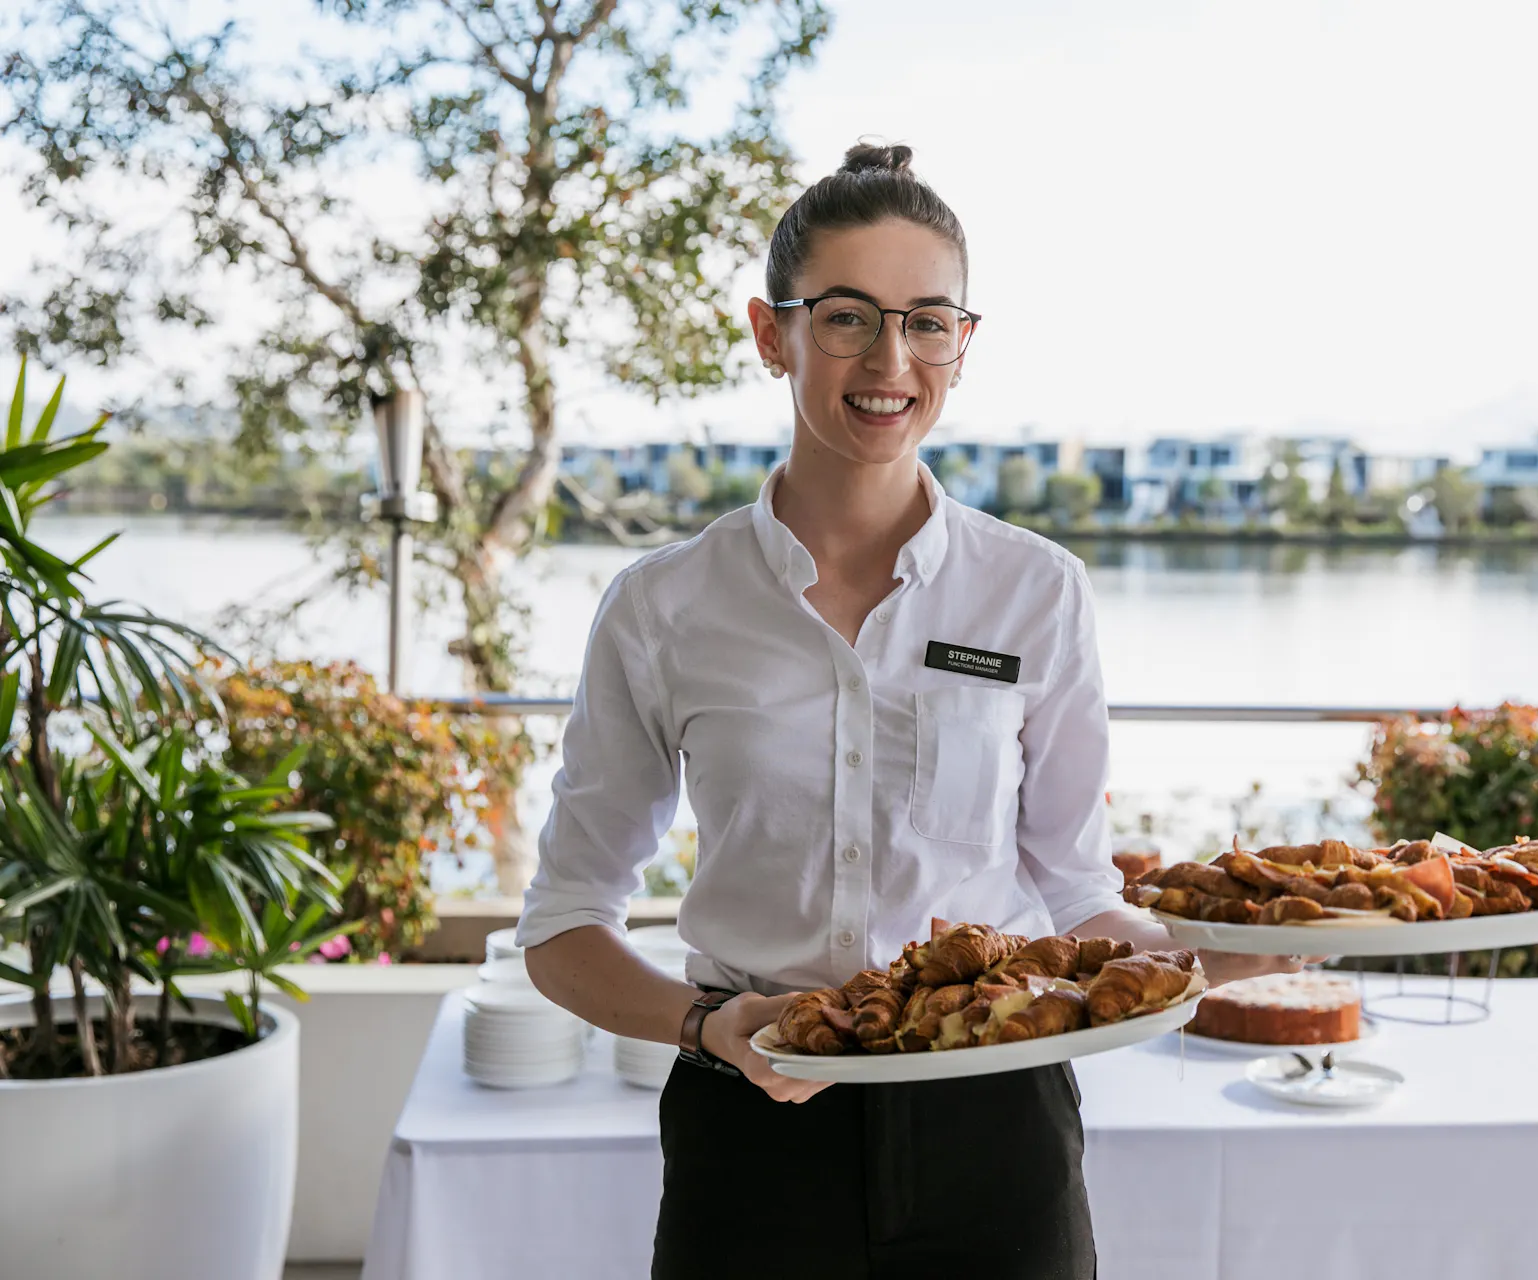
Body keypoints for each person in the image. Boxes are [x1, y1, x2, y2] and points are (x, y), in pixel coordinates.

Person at [520, 140, 1302, 1280]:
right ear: (770, 330)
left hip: (998, 1119)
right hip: (753, 1121)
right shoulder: (662, 606)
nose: (892, 358)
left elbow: (1077, 891)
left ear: (963, 343)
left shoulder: (1035, 591)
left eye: (928, 321)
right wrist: (703, 1025)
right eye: (846, 316)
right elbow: (563, 925)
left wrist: (1252, 946)